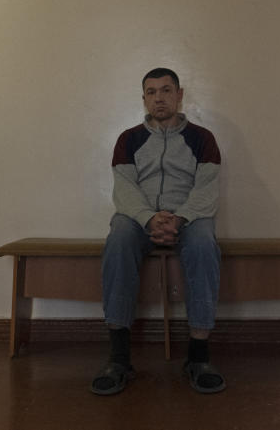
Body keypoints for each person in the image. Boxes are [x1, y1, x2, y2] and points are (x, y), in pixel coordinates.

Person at [91, 67, 225, 395]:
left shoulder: (202, 139)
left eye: (166, 90)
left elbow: (206, 190)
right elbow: (124, 190)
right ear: (144, 99)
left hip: (189, 218)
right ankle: (119, 359)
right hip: (139, 219)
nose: (159, 98)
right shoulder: (128, 139)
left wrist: (179, 219)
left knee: (205, 242)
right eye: (151, 92)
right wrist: (150, 218)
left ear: (179, 95)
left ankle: (198, 357)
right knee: (119, 235)